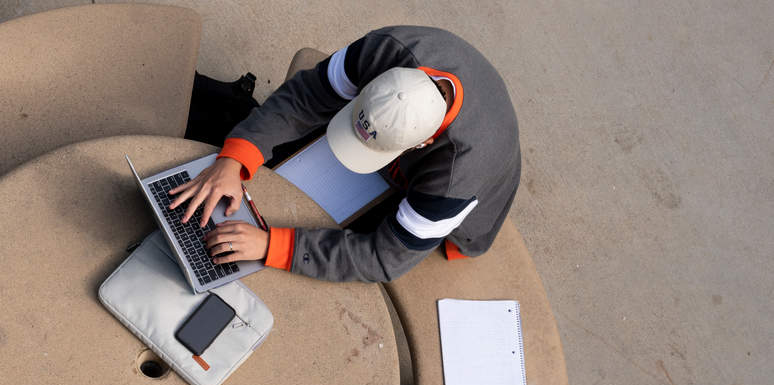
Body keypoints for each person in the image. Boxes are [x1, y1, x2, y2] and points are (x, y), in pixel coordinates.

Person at [168, 26, 520, 283]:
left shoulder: (455, 177)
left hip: (461, 202)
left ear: (420, 145)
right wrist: (235, 159)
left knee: (323, 258)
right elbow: (305, 97)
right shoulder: (385, 50)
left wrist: (271, 245)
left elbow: (384, 257)